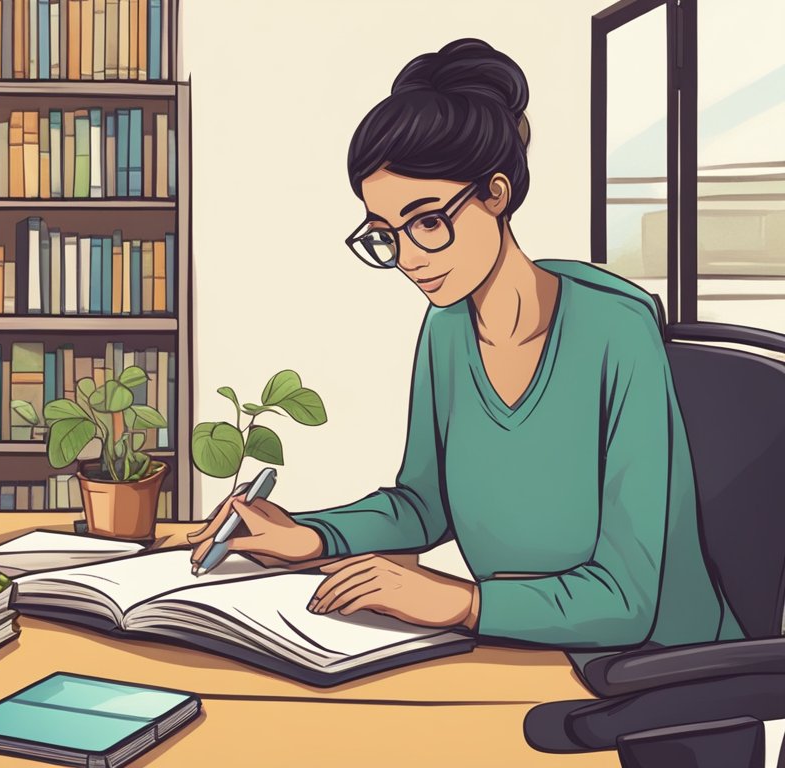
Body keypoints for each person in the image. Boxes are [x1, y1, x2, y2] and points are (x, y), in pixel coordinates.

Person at [188, 38, 743, 658]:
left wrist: (460, 602)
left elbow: (626, 600)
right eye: (386, 235)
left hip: (657, 675)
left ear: (495, 194)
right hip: (521, 649)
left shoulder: (617, 336)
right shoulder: (447, 326)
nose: (409, 259)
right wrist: (311, 537)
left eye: (427, 222)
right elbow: (423, 505)